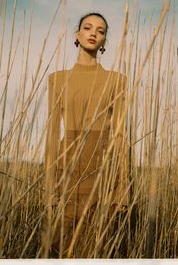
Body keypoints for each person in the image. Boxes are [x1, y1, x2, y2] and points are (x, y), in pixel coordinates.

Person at [41, 13, 129, 258]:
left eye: (100, 31)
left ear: (104, 41)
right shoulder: (57, 79)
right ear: (77, 36)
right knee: (58, 247)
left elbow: (121, 136)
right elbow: (50, 135)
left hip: (102, 171)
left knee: (96, 248)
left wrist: (122, 191)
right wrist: (49, 189)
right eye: (88, 28)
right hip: (66, 169)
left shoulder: (117, 81)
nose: (93, 33)